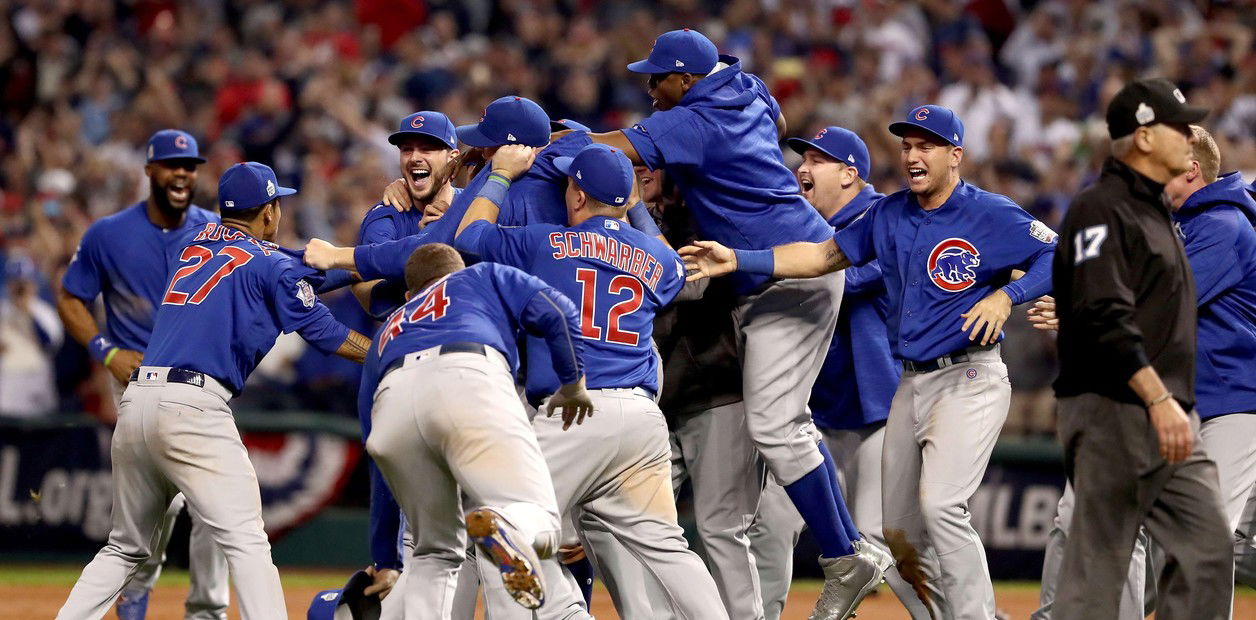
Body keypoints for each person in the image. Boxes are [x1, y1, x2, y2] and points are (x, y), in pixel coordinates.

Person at [682, 104, 1056, 619]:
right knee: (896, 534)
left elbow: (1057, 254)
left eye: (926, 146)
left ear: (955, 155)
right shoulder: (890, 214)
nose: (913, 155)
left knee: (943, 506)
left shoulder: (988, 212)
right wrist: (738, 260)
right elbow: (820, 258)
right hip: (910, 383)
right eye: (906, 145)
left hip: (969, 374)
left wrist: (1005, 299)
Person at [577, 28, 880, 618]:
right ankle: (851, 551)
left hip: (789, 274)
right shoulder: (745, 89)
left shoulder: (697, 120)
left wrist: (546, 144)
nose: (650, 87)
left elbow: (611, 145)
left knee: (775, 428)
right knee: (784, 426)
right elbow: (773, 106)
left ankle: (846, 555)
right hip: (779, 274)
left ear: (687, 79)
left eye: (658, 78)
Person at [57, 161, 373, 619]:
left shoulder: (193, 244)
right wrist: (384, 350)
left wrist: (357, 261)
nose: (279, 212)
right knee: (246, 539)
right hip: (193, 406)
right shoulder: (268, 263)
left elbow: (289, 269)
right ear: (267, 211)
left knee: (125, 549)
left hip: (139, 401)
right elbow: (323, 330)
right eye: (276, 204)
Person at [453, 142, 726, 618]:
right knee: (666, 546)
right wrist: (636, 211)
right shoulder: (653, 257)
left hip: (575, 412)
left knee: (498, 528)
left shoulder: (545, 242)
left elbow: (469, 236)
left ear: (577, 196)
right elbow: (678, 268)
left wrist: (498, 174)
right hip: (641, 419)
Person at [1031, 124, 1256, 617]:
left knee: (1200, 542)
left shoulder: (1222, 226)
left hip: (1233, 404)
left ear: (1191, 169)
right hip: (1171, 400)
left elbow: (1161, 302)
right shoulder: (1173, 223)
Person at [748, 126, 925, 619]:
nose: (803, 167)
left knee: (886, 540)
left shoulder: (883, 215)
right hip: (812, 412)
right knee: (770, 525)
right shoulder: (801, 224)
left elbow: (852, 277)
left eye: (818, 160)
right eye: (802, 157)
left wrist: (767, 268)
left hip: (877, 409)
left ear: (850, 174)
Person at [360, 243, 593, 617]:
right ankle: (509, 525)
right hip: (469, 376)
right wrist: (573, 385)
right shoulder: (482, 274)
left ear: (409, 294)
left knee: (434, 553)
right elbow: (559, 312)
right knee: (542, 520)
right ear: (458, 269)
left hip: (393, 401)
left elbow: (373, 447)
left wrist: (385, 555)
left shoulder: (390, 326)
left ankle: (501, 529)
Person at [55, 129, 228, 620]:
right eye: (173, 165)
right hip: (135, 380)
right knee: (158, 509)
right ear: (149, 171)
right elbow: (71, 297)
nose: (183, 174)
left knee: (218, 506)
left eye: (190, 166)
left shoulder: (217, 231)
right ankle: (133, 599)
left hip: (201, 382)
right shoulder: (108, 234)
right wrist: (106, 352)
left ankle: (206, 612)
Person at [354, 111, 463, 318]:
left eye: (427, 149)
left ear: (453, 159)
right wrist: (424, 244)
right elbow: (379, 304)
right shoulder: (386, 217)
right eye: (407, 150)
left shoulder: (474, 207)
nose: (414, 158)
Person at [0, 255, 63, 418]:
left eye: (24, 283)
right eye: (16, 283)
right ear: (8, 285)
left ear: (33, 284)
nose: (20, 288)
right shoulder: (2, 312)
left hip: (37, 388)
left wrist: (29, 314)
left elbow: (49, 346)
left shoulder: (45, 313)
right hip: (7, 392)